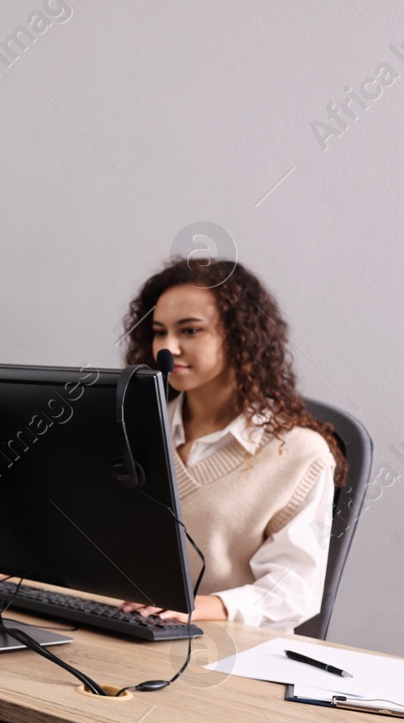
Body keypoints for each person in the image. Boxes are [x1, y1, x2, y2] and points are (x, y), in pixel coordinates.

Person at [119, 257, 344, 631]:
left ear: (240, 336)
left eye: (189, 331)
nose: (168, 347)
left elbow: (295, 590)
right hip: (122, 631)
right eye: (160, 332)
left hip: (228, 653)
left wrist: (203, 607)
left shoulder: (300, 452)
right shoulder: (132, 428)